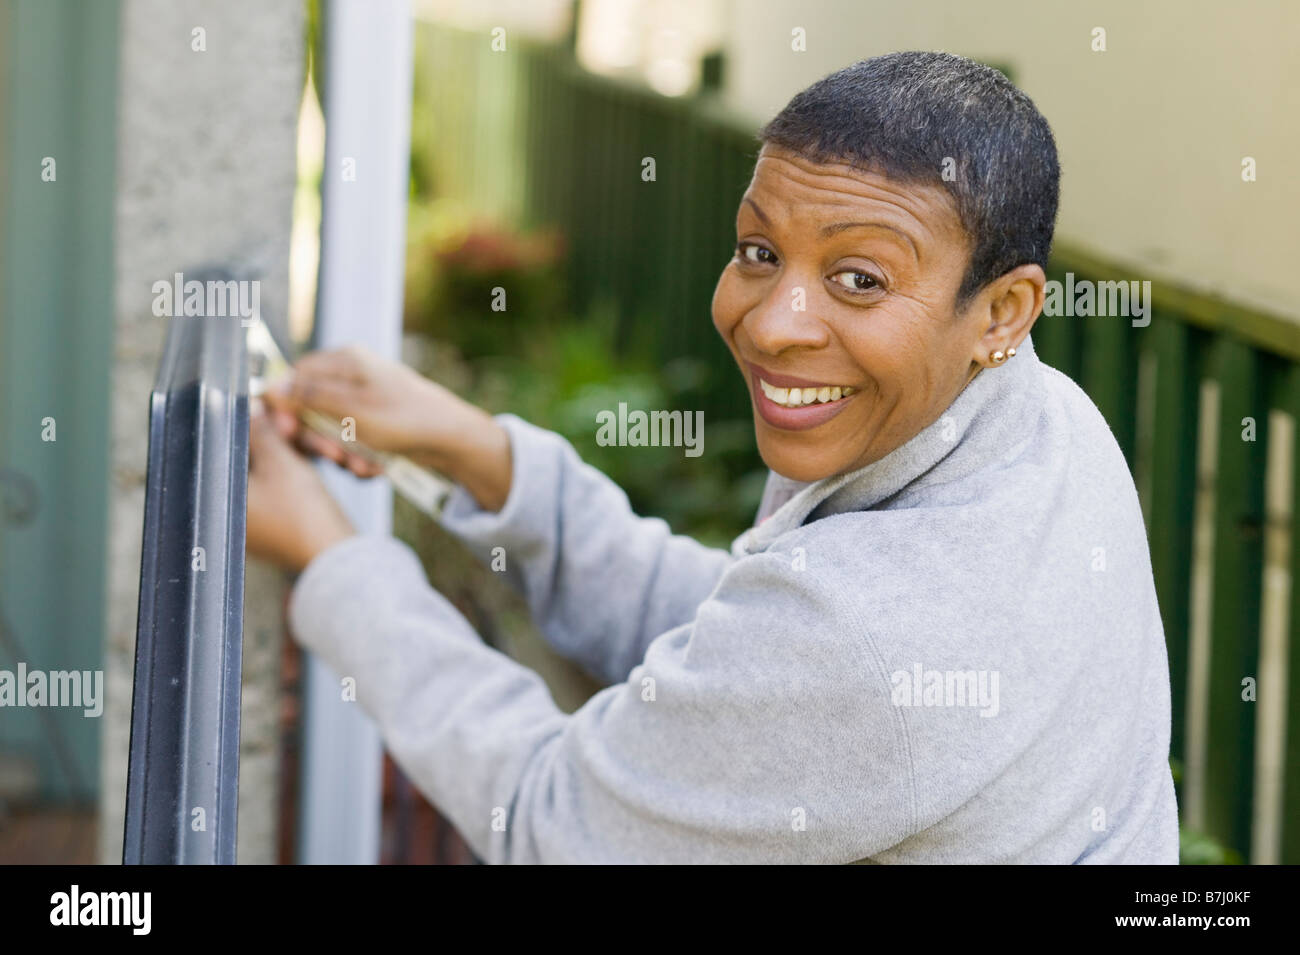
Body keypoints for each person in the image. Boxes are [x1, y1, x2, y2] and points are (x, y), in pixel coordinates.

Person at [246, 51, 1179, 863]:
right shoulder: (1043, 420)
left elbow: (551, 822)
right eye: (759, 250)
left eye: (861, 279)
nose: (774, 323)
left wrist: (337, 562)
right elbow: (750, 654)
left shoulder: (870, 637)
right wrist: (480, 452)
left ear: (1003, 311)